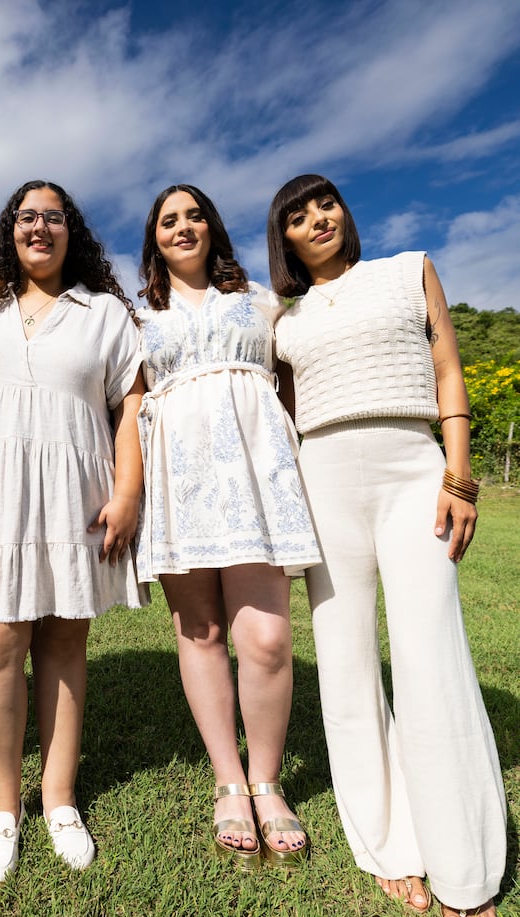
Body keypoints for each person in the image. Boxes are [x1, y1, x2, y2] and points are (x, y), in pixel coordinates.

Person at [267, 174, 507, 917]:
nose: (318, 219)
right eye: (298, 216)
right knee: (344, 664)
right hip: (324, 483)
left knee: (431, 654)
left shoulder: (411, 270)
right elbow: (279, 415)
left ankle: (464, 862)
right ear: (285, 240)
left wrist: (460, 478)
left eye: (326, 204)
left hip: (413, 471)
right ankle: (386, 843)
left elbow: (448, 371)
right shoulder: (284, 321)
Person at [0, 179, 146, 886]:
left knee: (62, 642)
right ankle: (3, 810)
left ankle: (59, 801)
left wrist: (129, 492)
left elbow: (131, 406)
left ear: (71, 231)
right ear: (10, 230)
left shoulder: (105, 312)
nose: (39, 227)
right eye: (27, 217)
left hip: (74, 496)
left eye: (53, 216)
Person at [135, 185, 320, 869]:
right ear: (154, 239)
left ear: (212, 227)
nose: (183, 227)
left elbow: (295, 379)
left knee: (266, 640)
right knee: (202, 632)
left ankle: (267, 782)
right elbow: (127, 401)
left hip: (256, 477)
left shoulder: (260, 302)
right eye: (168, 220)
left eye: (194, 216)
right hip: (177, 481)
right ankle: (230, 782)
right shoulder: (137, 316)